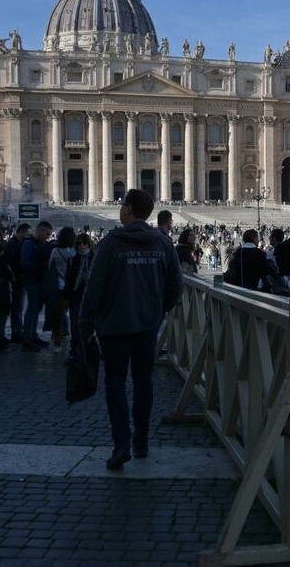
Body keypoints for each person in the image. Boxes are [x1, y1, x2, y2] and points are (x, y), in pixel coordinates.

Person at [80, 189, 181, 470]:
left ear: (129, 209)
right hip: (147, 325)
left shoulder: (111, 243)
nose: (120, 209)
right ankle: (142, 442)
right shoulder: (162, 243)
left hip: (113, 327)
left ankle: (121, 444)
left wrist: (85, 323)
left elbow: (94, 287)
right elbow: (176, 285)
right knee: (143, 382)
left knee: (115, 383)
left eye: (123, 205)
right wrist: (158, 310)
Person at [20, 221, 54, 351]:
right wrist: (42, 265)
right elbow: (25, 263)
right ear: (40, 230)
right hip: (32, 281)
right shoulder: (28, 244)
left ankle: (33, 335)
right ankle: (27, 339)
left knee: (37, 309)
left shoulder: (43, 244)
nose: (48, 236)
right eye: (47, 233)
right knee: (32, 309)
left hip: (40, 281)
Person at [45, 227, 76, 350]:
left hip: (59, 286)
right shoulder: (75, 251)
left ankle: (58, 341)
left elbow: (49, 268)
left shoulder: (55, 251)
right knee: (73, 314)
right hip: (73, 287)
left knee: (59, 315)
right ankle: (74, 340)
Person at [65, 233, 95, 349]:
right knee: (75, 324)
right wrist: (67, 297)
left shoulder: (96, 258)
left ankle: (89, 350)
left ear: (89, 244)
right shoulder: (73, 260)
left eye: (84, 243)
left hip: (91, 296)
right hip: (76, 296)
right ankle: (75, 350)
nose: (82, 246)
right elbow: (68, 279)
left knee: (90, 325)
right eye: (79, 244)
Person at [4, 224, 31, 344]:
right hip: (16, 278)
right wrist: (12, 275)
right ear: (21, 232)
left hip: (21, 277)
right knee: (17, 307)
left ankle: (18, 330)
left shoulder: (18, 243)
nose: (28, 236)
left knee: (19, 306)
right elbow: (8, 262)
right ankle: (16, 332)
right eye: (27, 233)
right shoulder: (11, 244)